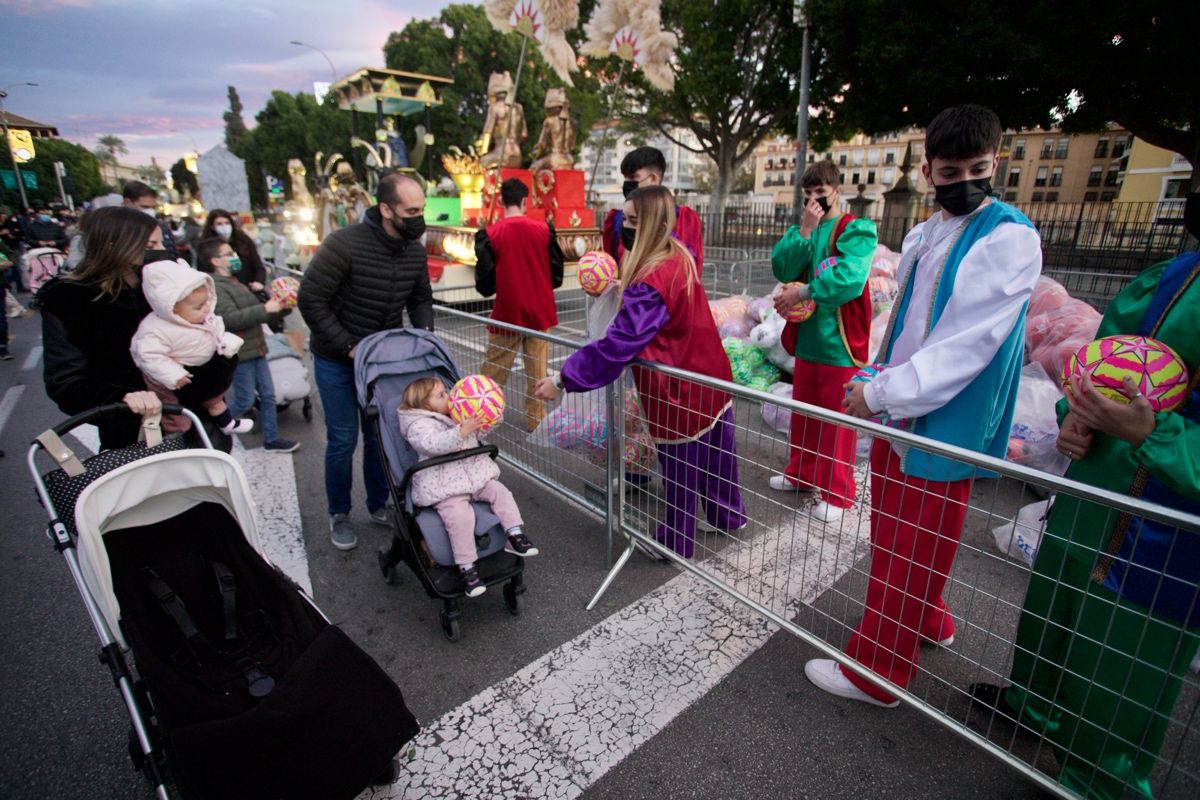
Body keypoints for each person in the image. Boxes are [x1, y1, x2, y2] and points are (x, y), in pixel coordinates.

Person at [804, 104, 1042, 707]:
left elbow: (965, 343)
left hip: (938, 412)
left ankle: (878, 672)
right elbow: (911, 323)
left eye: (976, 168)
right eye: (948, 170)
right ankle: (927, 621)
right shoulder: (927, 231)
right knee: (903, 533)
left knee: (910, 539)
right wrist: (878, 380)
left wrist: (881, 391)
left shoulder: (1008, 237)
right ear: (930, 169)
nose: (962, 181)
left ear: (995, 164)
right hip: (906, 404)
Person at [969, 193, 1200, 800]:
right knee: (1056, 603)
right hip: (1096, 480)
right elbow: (1109, 360)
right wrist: (1080, 414)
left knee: (1124, 664)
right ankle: (1035, 705)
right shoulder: (1178, 272)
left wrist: (1159, 436)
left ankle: (1098, 783)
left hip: (1167, 523)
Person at [534, 185, 746, 559]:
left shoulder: (651, 276)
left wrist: (563, 378)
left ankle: (675, 544)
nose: (624, 227)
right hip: (710, 374)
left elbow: (618, 345)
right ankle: (727, 515)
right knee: (718, 456)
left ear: (654, 224)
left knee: (680, 471)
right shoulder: (678, 254)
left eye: (633, 220)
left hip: (676, 387)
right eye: (624, 218)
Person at [298, 172, 435, 552]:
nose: (418, 217)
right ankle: (339, 512)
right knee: (343, 439)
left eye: (422, 209)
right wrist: (347, 346)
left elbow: (420, 298)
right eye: (411, 210)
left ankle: (378, 503)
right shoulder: (343, 244)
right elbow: (311, 300)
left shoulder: (415, 250)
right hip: (337, 360)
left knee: (380, 437)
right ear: (386, 209)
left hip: (382, 361)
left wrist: (425, 336)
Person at [768, 160, 878, 522]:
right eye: (808, 195)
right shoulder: (808, 227)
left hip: (839, 345)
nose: (814, 200)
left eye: (821, 193)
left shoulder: (855, 229)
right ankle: (801, 473)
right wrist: (804, 230)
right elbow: (783, 268)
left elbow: (850, 278)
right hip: (807, 342)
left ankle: (839, 492)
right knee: (804, 415)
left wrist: (805, 291)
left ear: (837, 191)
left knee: (835, 422)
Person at [38, 206, 166, 449]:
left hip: (194, 420)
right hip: (131, 433)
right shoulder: (69, 301)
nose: (161, 252)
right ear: (113, 246)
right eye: (150, 246)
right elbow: (66, 382)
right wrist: (123, 398)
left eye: (161, 243)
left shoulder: (166, 286)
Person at [397, 377, 538, 596]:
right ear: (424, 405)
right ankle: (467, 566)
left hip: (474, 476)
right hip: (445, 485)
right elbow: (431, 444)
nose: (450, 395)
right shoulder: (419, 425)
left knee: (501, 492)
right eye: (441, 395)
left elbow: (478, 433)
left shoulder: (457, 413)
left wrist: (490, 415)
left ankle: (514, 534)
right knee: (460, 517)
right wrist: (459, 431)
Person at [474, 177, 565, 432]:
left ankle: (479, 419)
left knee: (493, 372)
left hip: (507, 313)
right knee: (537, 372)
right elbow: (556, 275)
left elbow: (485, 283)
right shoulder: (544, 230)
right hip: (539, 312)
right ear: (526, 201)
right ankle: (536, 423)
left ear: (502, 200)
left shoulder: (491, 233)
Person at [198, 236, 299, 454]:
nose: (234, 258)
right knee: (244, 400)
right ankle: (208, 433)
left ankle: (271, 439)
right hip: (241, 353)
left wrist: (281, 305)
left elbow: (257, 312)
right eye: (228, 254)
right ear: (215, 260)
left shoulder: (235, 282)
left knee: (269, 396)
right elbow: (230, 318)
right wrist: (265, 310)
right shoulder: (214, 287)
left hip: (258, 347)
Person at [129, 258, 252, 435]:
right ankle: (178, 435)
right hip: (169, 380)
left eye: (207, 301)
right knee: (172, 409)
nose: (206, 308)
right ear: (172, 308)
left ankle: (227, 423)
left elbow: (216, 330)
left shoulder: (202, 316)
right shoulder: (155, 329)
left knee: (215, 398)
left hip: (198, 370)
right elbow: (148, 355)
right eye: (199, 307)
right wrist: (173, 374)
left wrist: (226, 342)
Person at [601, 147, 704, 273]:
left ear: (653, 179)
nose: (627, 184)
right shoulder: (617, 220)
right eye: (625, 178)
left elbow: (690, 271)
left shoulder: (684, 219)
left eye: (633, 178)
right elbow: (610, 267)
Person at [201, 209, 265, 289]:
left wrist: (259, 281)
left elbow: (258, 265)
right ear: (212, 226)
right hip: (223, 289)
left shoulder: (243, 240)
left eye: (227, 223)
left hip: (249, 287)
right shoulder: (206, 246)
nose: (224, 226)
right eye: (219, 224)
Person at [123, 181, 178, 260]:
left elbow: (173, 254)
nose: (150, 211)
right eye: (145, 207)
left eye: (153, 207)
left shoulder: (161, 227)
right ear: (127, 202)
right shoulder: (117, 229)